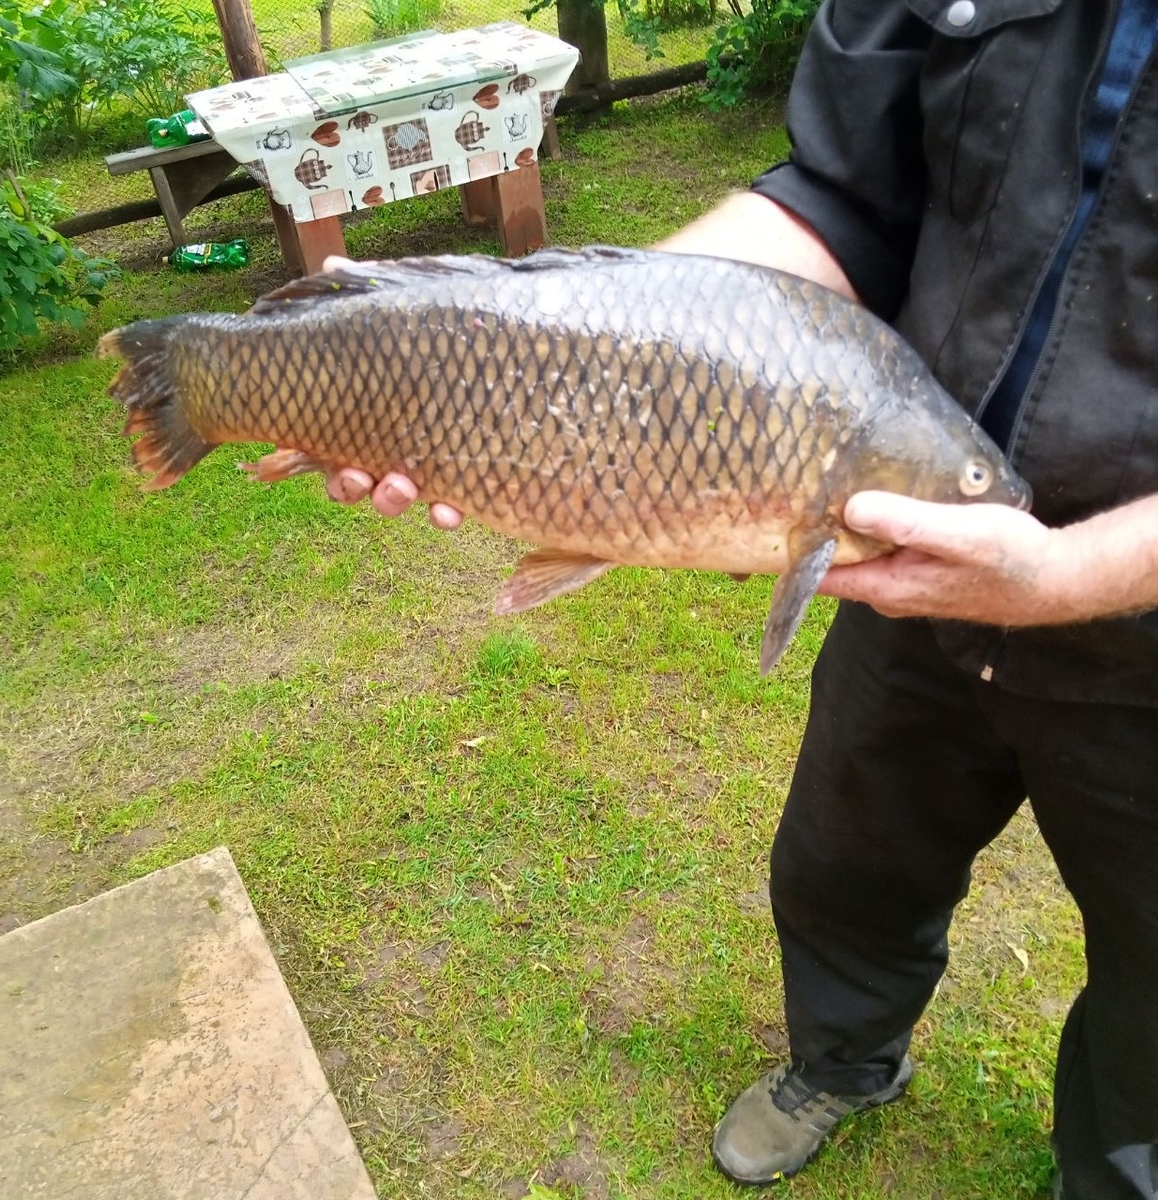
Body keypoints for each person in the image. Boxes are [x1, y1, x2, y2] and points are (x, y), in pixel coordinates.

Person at [322, 2, 1158, 1195]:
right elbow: (840, 195)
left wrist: (1070, 572)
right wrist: (519, 341)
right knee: (844, 865)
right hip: (903, 569)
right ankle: (843, 1061)